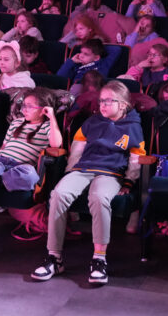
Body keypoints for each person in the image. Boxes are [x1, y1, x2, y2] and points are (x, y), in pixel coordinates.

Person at [30, 81, 145, 285]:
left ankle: (99, 259)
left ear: (124, 104)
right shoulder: (92, 122)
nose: (103, 105)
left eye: (109, 101)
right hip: (83, 169)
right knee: (58, 194)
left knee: (99, 197)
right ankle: (54, 257)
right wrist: (69, 173)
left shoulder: (133, 127)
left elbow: (136, 158)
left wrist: (129, 182)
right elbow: (77, 149)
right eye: (101, 101)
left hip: (111, 173)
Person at [0, 87, 63, 253]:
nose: (24, 109)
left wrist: (52, 117)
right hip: (2, 161)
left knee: (31, 176)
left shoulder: (47, 127)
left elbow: (56, 144)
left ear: (43, 109)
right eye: (23, 105)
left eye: (30, 106)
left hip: (23, 166)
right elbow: (2, 148)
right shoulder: (16, 123)